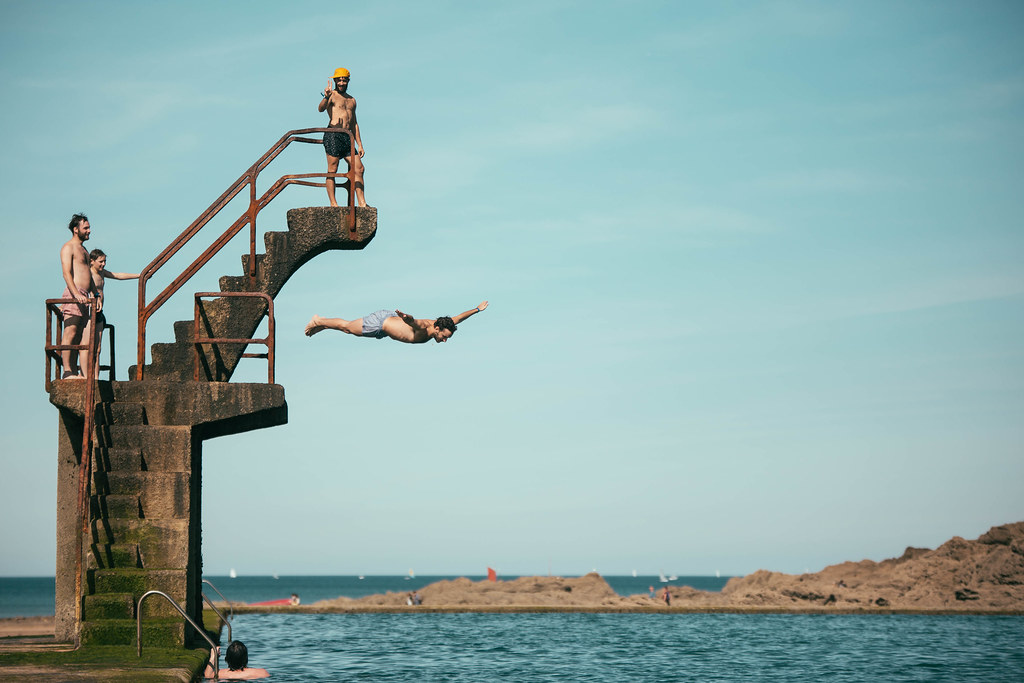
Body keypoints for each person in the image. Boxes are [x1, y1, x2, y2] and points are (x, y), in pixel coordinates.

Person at [304, 301, 488, 344]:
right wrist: (407, 318)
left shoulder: (443, 323)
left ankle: (324, 324)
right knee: (347, 328)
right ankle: (319, 320)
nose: (445, 340)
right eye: (444, 337)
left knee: (347, 329)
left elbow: (459, 318)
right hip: (381, 323)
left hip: (385, 330)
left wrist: (477, 310)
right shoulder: (426, 328)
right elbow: (415, 323)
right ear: (437, 329)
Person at [318, 67, 366, 208]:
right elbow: (320, 109)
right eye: (339, 80)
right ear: (335, 81)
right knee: (333, 169)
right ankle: (333, 203)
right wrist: (326, 96)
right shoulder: (331, 95)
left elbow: (354, 123)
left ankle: (362, 202)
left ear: (347, 81)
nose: (341, 82)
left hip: (347, 137)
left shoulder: (352, 100)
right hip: (333, 134)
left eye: (344, 80)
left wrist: (360, 144)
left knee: (359, 168)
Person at [58, 214, 99, 379]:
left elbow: (88, 274)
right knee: (70, 332)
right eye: (86, 228)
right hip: (74, 294)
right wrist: (75, 294)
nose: (89, 231)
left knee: (78, 336)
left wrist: (95, 294)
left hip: (85, 297)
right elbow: (66, 273)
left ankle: (73, 371)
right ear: (76, 229)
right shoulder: (68, 247)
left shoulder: (84, 250)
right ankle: (67, 371)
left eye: (89, 227)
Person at [88, 249, 139, 374]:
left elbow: (118, 275)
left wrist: (139, 275)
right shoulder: (87, 274)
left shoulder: (102, 273)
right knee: (88, 346)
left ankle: (95, 377)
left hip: (99, 312)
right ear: (92, 261)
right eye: (101, 261)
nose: (103, 264)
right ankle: (85, 375)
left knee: (98, 348)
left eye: (105, 261)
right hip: (89, 312)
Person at [204, 640, 269, 680]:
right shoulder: (262, 673)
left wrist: (213, 657)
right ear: (246, 659)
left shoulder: (219, 674)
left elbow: (207, 676)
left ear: (226, 659)